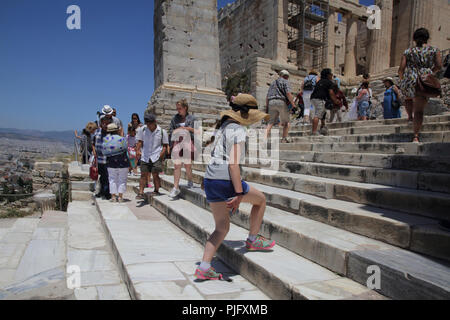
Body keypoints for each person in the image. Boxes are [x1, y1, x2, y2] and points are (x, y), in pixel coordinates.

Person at [195, 94, 276, 281]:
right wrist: (239, 193)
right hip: (226, 179)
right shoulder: (238, 130)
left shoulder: (222, 128)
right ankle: (253, 240)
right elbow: (233, 165)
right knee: (261, 200)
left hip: (210, 179)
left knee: (221, 228)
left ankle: (205, 266)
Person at [399, 28, 442, 143]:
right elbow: (439, 65)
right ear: (427, 38)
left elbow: (401, 69)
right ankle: (416, 136)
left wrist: (403, 79)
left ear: (414, 38)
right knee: (419, 110)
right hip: (424, 80)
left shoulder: (408, 52)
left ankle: (409, 117)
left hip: (410, 78)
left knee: (408, 97)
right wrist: (429, 72)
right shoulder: (434, 50)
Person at [135, 113, 169, 199]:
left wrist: (161, 156)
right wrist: (137, 151)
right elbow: (140, 142)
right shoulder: (142, 130)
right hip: (145, 155)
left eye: (150, 123)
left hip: (156, 155)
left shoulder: (162, 132)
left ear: (155, 122)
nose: (148, 125)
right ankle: (141, 192)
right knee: (143, 174)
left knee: (155, 174)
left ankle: (156, 190)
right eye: (147, 123)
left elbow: (165, 145)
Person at [168, 99, 196, 199]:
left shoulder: (192, 118)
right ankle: (175, 187)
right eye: (177, 108)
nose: (178, 110)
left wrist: (186, 129)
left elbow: (197, 131)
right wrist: (177, 130)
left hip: (188, 142)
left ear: (185, 108)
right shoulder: (174, 119)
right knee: (177, 165)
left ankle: (190, 180)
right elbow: (171, 131)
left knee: (188, 165)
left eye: (180, 108)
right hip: (177, 142)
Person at [265, 70, 296, 142]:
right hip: (281, 101)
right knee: (286, 122)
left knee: (270, 122)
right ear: (287, 76)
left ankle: (264, 138)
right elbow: (288, 93)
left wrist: (267, 107)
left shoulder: (273, 83)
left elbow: (267, 96)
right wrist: (293, 105)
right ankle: (284, 139)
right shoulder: (286, 82)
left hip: (271, 102)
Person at [103, 123, 129, 203]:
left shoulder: (106, 139)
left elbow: (104, 151)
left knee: (112, 179)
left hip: (111, 162)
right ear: (117, 130)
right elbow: (125, 149)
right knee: (122, 179)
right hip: (122, 161)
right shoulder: (122, 139)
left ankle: (113, 197)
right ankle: (120, 197)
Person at [310, 68, 340, 135]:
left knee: (322, 113)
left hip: (313, 99)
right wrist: (335, 100)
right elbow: (331, 93)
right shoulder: (329, 82)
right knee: (318, 114)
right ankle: (314, 132)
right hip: (319, 99)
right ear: (328, 75)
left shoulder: (320, 81)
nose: (332, 75)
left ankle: (322, 128)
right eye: (331, 74)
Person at [92, 117, 112, 200]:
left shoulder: (111, 133)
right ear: (101, 124)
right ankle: (102, 191)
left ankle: (107, 192)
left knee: (107, 176)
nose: (105, 125)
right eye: (104, 123)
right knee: (101, 176)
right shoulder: (97, 132)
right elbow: (93, 143)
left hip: (107, 158)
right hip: (99, 158)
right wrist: (94, 152)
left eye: (107, 123)